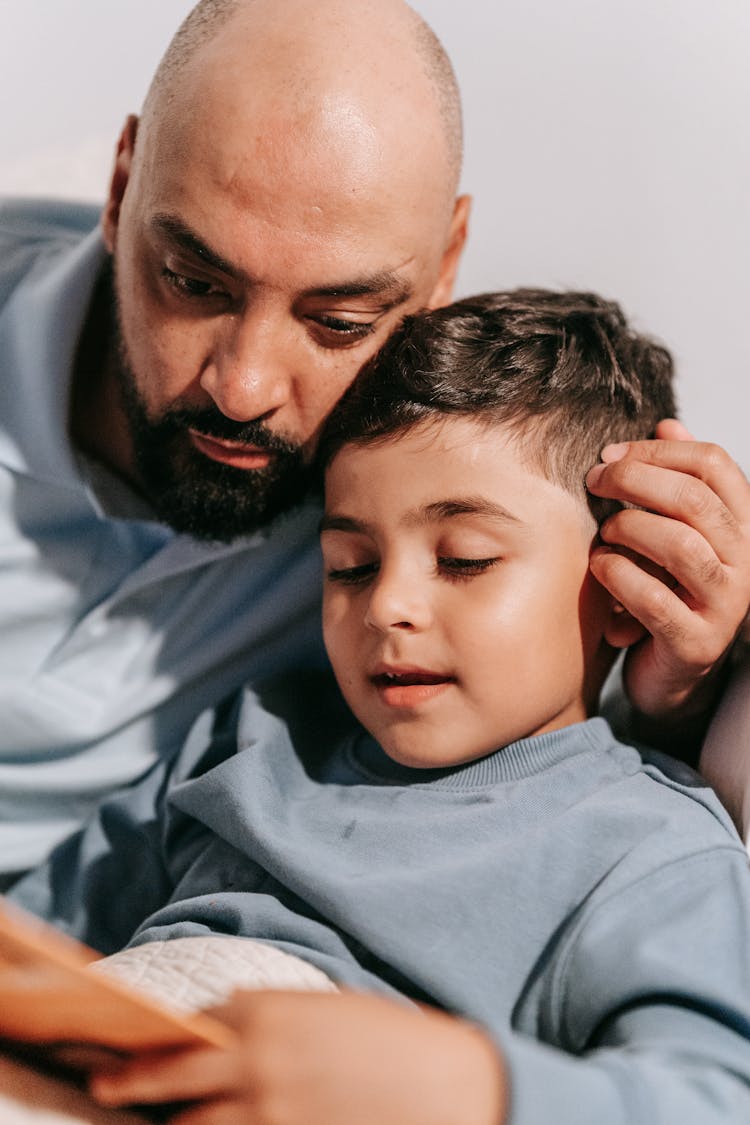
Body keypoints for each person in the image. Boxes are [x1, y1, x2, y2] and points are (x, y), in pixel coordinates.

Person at [1, 0, 749, 885]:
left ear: (443, 268)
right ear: (121, 189)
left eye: (338, 321)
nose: (243, 389)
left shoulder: (426, 489)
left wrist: (675, 695)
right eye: (193, 283)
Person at [13, 290, 750, 1124]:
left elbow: (715, 1096)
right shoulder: (261, 730)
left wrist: (463, 1086)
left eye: (465, 559)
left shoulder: (646, 850)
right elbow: (43, 933)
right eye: (350, 564)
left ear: (629, 588)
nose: (387, 605)